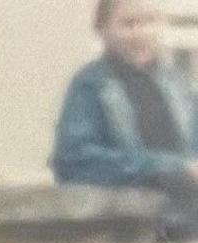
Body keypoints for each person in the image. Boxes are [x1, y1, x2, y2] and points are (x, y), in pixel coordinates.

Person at [53, 0, 198, 206]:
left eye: (151, 21)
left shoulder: (179, 86)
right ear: (102, 29)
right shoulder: (92, 85)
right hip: (125, 220)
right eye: (129, 24)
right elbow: (75, 161)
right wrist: (168, 168)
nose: (142, 33)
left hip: (188, 216)